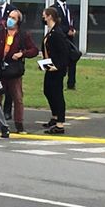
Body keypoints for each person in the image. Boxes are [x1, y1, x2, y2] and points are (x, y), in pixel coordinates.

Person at [0, 9, 38, 134]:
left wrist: (22, 54)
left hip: (14, 70)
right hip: (0, 69)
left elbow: (34, 50)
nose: (10, 20)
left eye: (13, 18)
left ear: (19, 21)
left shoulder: (23, 35)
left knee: (18, 98)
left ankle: (19, 124)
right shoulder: (1, 32)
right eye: (9, 17)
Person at [41, 7, 70, 135]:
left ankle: (60, 124)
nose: (43, 18)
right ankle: (55, 116)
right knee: (47, 90)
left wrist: (58, 66)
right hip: (50, 66)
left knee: (57, 94)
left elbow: (64, 53)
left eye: (44, 15)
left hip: (57, 69)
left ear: (49, 16)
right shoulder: (51, 32)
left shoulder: (57, 33)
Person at [51, 0, 78, 90]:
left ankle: (71, 84)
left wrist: (73, 29)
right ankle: (58, 83)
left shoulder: (68, 7)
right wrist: (67, 31)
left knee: (73, 59)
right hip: (61, 38)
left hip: (70, 39)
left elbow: (71, 20)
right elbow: (56, 24)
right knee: (61, 61)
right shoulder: (54, 8)